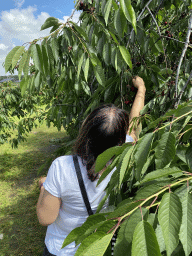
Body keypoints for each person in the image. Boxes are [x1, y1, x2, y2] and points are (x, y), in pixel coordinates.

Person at [36, 76, 146, 256]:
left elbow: (45, 217)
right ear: (119, 140)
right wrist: (141, 89)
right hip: (96, 247)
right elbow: (134, 129)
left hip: (61, 249)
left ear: (86, 130)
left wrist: (43, 185)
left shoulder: (62, 167)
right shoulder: (123, 154)